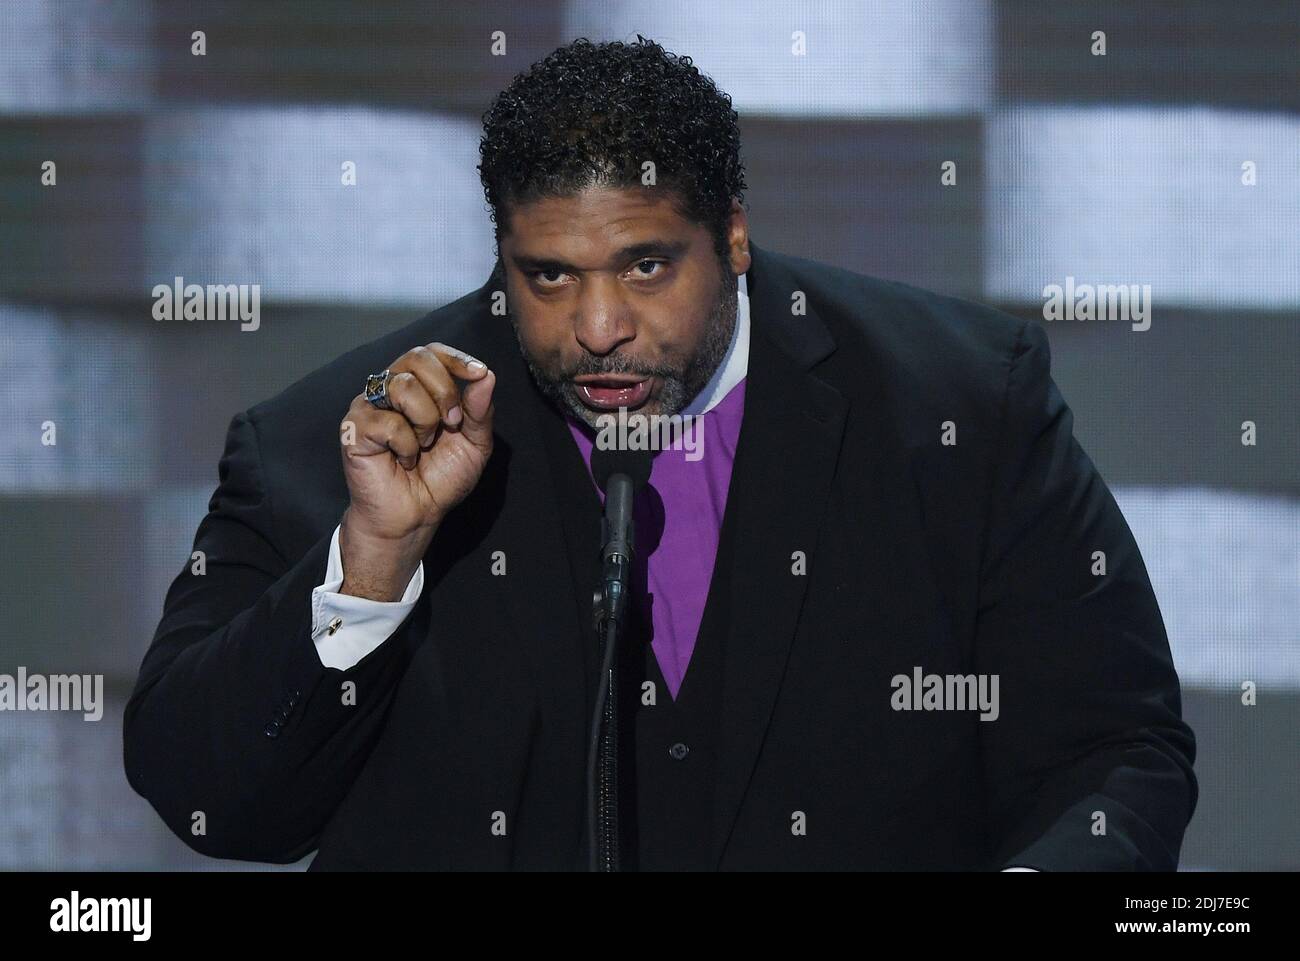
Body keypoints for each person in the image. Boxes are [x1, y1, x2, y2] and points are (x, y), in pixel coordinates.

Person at [123, 36, 1197, 871]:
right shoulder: (338, 444)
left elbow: (1116, 753)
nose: (597, 329)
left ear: (730, 234)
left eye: (644, 267)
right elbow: (206, 797)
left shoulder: (961, 404)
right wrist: (370, 565)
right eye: (548, 276)